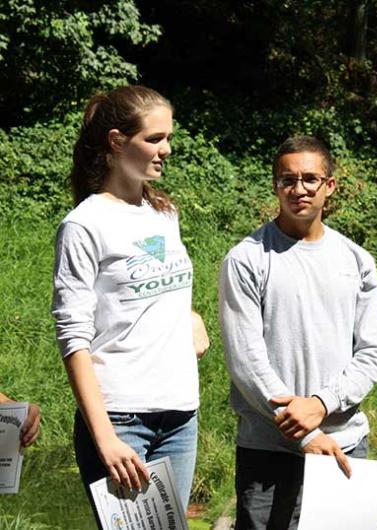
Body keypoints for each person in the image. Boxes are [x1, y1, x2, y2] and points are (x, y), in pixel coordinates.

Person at [51, 85, 207, 524]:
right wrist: (105, 437)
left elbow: (162, 287)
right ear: (118, 141)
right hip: (121, 418)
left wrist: (190, 315)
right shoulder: (84, 225)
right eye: (154, 139)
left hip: (180, 413)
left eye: (168, 137)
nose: (167, 149)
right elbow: (73, 337)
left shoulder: (164, 214)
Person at [219, 135, 377, 530]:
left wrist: (323, 403)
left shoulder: (356, 260)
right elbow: (246, 361)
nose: (299, 189)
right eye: (287, 179)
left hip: (345, 446)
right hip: (269, 452)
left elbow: (373, 352)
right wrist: (304, 432)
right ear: (275, 185)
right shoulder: (246, 259)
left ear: (330, 186)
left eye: (310, 179)